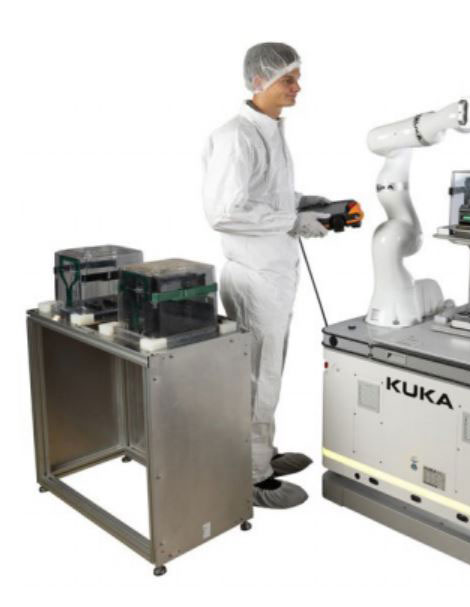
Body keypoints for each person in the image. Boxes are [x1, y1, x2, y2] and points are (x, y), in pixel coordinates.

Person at [202, 42, 330, 509]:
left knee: (269, 370)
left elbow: (264, 195)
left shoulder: (270, 129)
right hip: (255, 276)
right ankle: (252, 475)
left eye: (297, 78)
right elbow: (224, 212)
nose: (298, 87)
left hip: (275, 272)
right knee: (258, 376)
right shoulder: (236, 136)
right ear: (259, 81)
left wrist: (304, 203)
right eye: (288, 79)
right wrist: (293, 220)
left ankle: (263, 450)